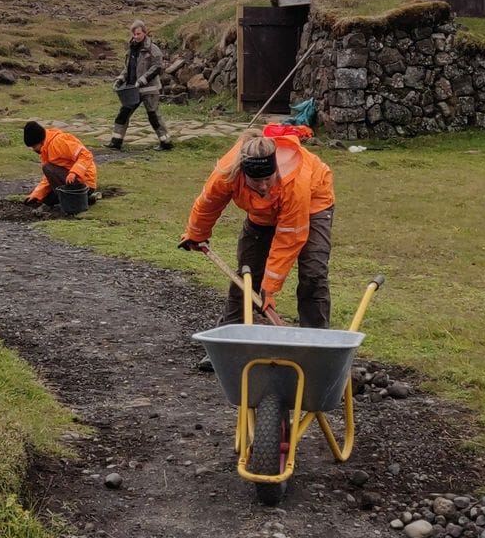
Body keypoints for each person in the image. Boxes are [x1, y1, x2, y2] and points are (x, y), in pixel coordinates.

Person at [179, 128, 335, 369]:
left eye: (267, 179)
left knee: (313, 274)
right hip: (263, 213)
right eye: (256, 181)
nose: (263, 186)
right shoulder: (227, 172)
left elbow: (289, 238)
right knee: (246, 275)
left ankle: (316, 348)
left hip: (314, 203)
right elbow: (209, 203)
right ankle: (228, 346)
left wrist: (269, 290)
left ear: (275, 170)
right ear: (243, 174)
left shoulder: (296, 182)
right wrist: (196, 234)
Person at [112, 19, 173, 151]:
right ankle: (116, 141)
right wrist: (120, 78)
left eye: (138, 34)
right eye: (134, 34)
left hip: (149, 89)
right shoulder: (131, 49)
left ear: (144, 33)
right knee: (123, 113)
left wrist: (143, 80)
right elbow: (128, 68)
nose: (136, 36)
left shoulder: (153, 49)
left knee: (153, 116)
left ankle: (166, 142)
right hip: (132, 89)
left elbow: (157, 66)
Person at [22, 121, 99, 208]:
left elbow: (86, 155)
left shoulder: (58, 142)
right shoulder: (45, 149)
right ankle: (84, 199)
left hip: (84, 183)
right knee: (46, 199)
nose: (33, 150)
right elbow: (49, 178)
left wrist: (74, 173)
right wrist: (36, 195)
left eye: (34, 147)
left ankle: (78, 198)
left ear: (40, 141)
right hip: (70, 180)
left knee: (47, 168)